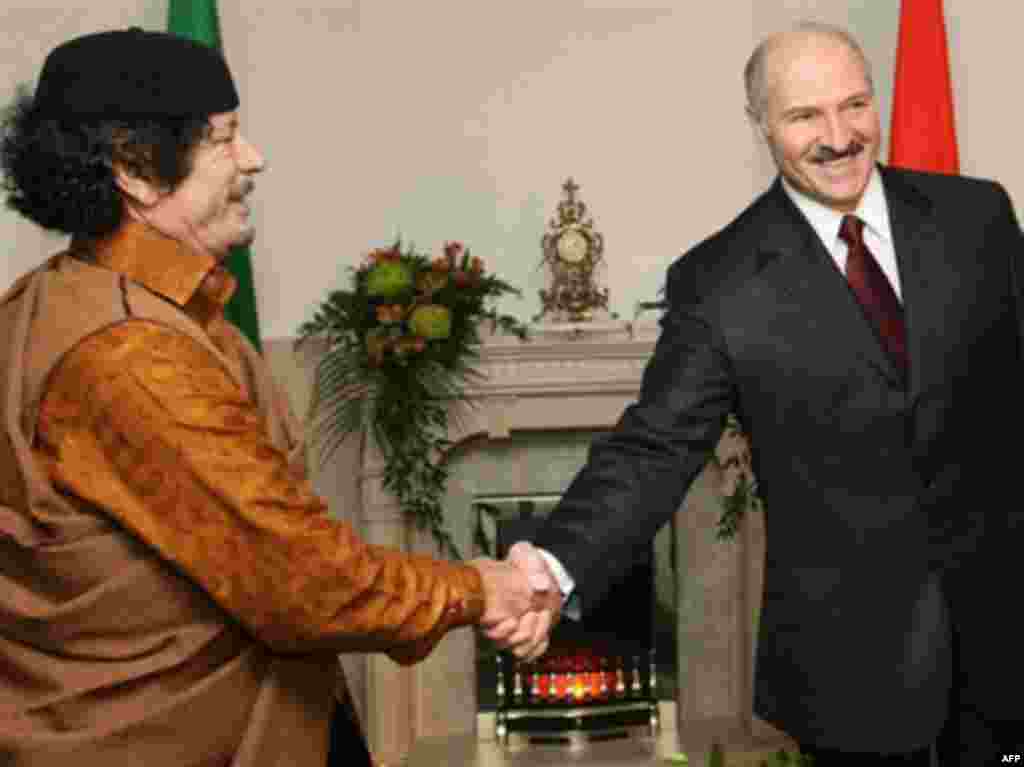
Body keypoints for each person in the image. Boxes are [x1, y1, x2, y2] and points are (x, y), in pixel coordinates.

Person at [0, 28, 555, 766]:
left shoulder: (68, 299)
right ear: (136, 170)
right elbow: (304, 580)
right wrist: (479, 589)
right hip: (180, 738)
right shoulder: (131, 353)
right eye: (225, 139)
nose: (252, 159)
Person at [494, 21, 1024, 766]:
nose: (839, 136)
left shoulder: (979, 220)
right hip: (854, 675)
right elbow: (656, 445)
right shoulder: (719, 282)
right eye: (806, 115)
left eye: (855, 105)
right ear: (762, 126)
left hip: (1005, 648)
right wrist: (551, 565)